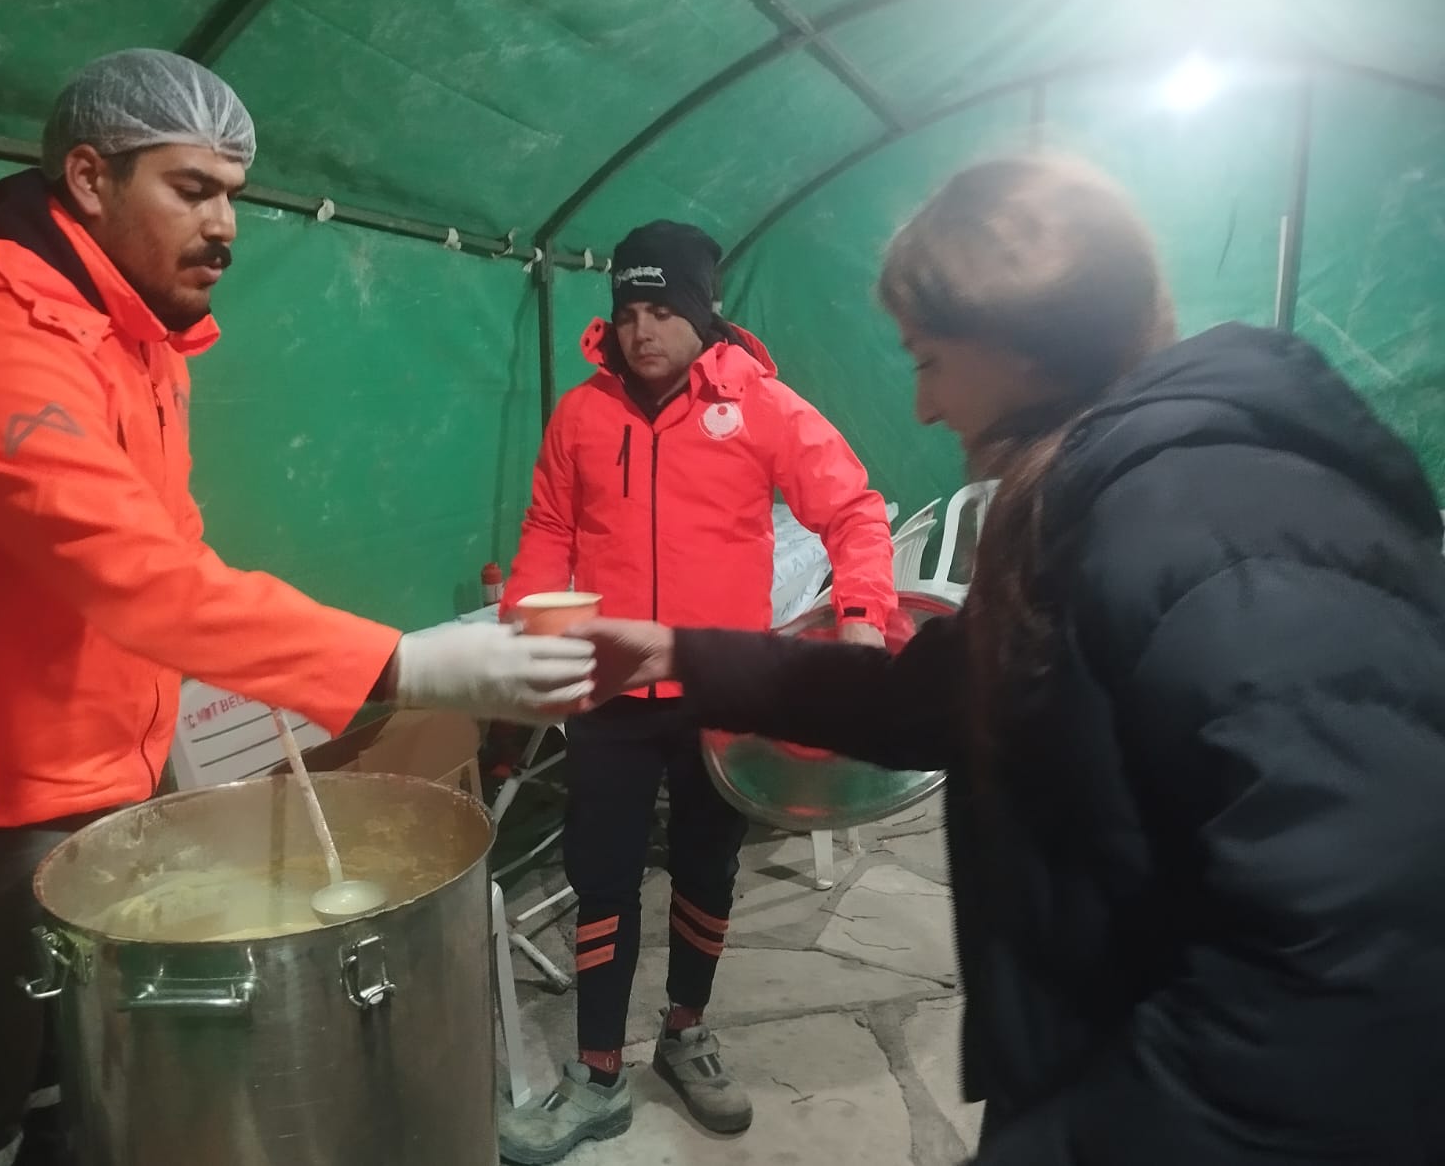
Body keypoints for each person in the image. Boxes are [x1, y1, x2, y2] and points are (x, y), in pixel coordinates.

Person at [574, 156, 1445, 1164]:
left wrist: (1080, 1132)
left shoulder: (1220, 525)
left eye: (928, 360)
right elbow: (938, 697)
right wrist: (673, 652)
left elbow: (1363, 953)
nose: (922, 408)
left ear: (1019, 345)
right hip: (1084, 1058)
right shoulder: (1093, 510)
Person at [0, 49, 595, 1166]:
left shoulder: (140, 342)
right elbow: (136, 580)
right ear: (90, 178)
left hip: (100, 768)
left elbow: (172, 546)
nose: (226, 225)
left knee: (84, 1061)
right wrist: (410, 663)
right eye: (192, 189)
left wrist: (276, 678)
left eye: (234, 194)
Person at [496, 219, 896, 1163]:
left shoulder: (760, 406)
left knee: (710, 868)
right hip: (609, 692)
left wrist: (865, 618)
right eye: (628, 312)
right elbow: (549, 526)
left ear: (702, 312)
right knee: (601, 878)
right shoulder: (581, 417)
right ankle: (597, 1075)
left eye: (663, 310)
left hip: (722, 688)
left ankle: (685, 1033)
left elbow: (853, 509)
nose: (642, 331)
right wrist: (528, 615)